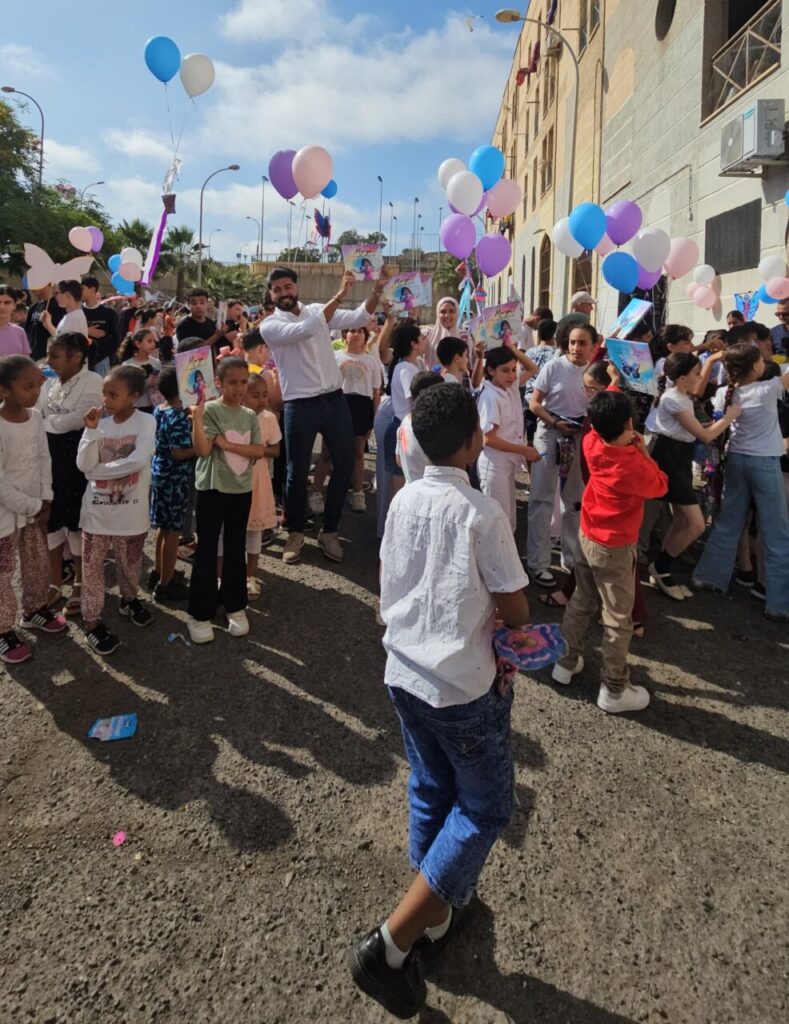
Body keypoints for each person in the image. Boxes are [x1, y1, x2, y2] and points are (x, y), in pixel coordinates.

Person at [347, 383, 530, 1019]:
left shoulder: (401, 501)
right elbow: (514, 604)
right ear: (475, 441)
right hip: (461, 685)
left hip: (404, 671)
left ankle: (434, 907)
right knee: (484, 807)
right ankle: (392, 941)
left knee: (430, 787)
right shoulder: (482, 513)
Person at [261, 266, 387, 565]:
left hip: (334, 400)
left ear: (296, 287)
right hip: (298, 405)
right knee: (295, 472)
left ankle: (329, 530)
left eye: (288, 286)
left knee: (344, 464)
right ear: (271, 294)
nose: (283, 293)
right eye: (277, 289)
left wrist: (376, 290)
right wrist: (340, 294)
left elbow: (358, 317)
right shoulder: (269, 326)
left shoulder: (317, 310)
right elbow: (305, 330)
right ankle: (295, 532)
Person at [551, 390, 668, 712]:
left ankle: (566, 660)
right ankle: (614, 689)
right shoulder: (632, 464)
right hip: (616, 546)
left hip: (587, 535)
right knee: (618, 618)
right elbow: (660, 484)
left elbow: (604, 413)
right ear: (630, 424)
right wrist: (643, 451)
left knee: (581, 601)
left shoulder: (590, 441)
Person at [692, 343, 789, 622]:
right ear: (756, 367)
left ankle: (708, 577)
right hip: (765, 463)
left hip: (736, 459)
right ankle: (780, 603)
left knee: (728, 522)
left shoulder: (724, 393)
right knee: (777, 533)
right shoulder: (767, 389)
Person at [648, 352, 740, 600]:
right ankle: (661, 567)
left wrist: (715, 423)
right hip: (670, 458)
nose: (700, 377)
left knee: (681, 521)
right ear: (681, 377)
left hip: (680, 456)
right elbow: (705, 436)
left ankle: (662, 568)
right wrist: (731, 416)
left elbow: (699, 430)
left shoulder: (683, 397)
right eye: (696, 373)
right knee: (696, 524)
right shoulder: (673, 399)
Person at [77, 366, 156, 654]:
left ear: (133, 397)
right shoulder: (100, 426)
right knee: (92, 571)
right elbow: (83, 465)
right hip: (96, 515)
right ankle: (92, 623)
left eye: (113, 394)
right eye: (104, 393)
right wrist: (90, 430)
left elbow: (138, 460)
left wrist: (98, 472)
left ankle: (129, 599)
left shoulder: (146, 423)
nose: (105, 400)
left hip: (131, 515)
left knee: (130, 564)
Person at [186, 357, 264, 644]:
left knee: (235, 547)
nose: (240, 388)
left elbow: (259, 450)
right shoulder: (210, 409)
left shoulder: (249, 415)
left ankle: (235, 605)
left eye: (244, 382)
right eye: (233, 382)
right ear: (218, 382)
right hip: (211, 488)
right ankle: (199, 612)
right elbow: (204, 451)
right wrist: (196, 418)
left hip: (241, 489)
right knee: (206, 549)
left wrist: (228, 444)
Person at [0, 355, 67, 664]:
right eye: (27, 387)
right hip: (5, 516)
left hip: (34, 509)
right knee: (3, 573)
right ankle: (3, 631)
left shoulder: (37, 417)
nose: (35, 392)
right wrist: (33, 504)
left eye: (37, 385)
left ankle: (34, 609)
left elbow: (43, 459)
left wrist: (46, 496)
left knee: (37, 562)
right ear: (4, 390)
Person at [527, 322, 597, 588]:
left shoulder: (595, 371)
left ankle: (572, 558)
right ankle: (538, 563)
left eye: (582, 343)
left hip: (580, 436)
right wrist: (555, 422)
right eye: (572, 342)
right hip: (550, 432)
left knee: (575, 501)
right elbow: (534, 402)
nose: (576, 348)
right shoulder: (554, 366)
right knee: (542, 499)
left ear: (593, 345)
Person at [37, 332, 103, 613]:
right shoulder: (49, 381)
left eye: (55, 355)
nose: (49, 361)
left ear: (76, 357)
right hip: (48, 458)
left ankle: (79, 581)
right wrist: (52, 421)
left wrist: (49, 421)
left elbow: (75, 421)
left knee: (76, 521)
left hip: (77, 459)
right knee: (50, 519)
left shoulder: (93, 381)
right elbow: (38, 411)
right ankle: (54, 582)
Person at [312, 326, 383, 514]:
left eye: (361, 331)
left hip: (361, 407)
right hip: (338, 403)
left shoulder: (371, 361)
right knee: (327, 451)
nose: (356, 334)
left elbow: (376, 392)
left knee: (358, 451)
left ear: (366, 337)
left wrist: (373, 418)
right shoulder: (335, 357)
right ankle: (316, 492)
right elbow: (324, 387)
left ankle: (358, 492)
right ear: (345, 335)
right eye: (352, 330)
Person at [477, 346, 539, 531]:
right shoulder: (490, 396)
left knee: (508, 519)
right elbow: (489, 439)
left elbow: (532, 368)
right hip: (495, 464)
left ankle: (506, 558)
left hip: (507, 462)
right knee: (498, 522)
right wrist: (523, 450)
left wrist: (512, 348)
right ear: (491, 370)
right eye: (505, 370)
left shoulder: (509, 387)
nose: (511, 376)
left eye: (513, 370)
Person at [230, 372, 281, 597]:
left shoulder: (269, 418)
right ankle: (227, 576)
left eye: (264, 395)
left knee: (254, 532)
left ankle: (250, 576)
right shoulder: (231, 416)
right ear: (242, 396)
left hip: (258, 482)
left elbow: (275, 450)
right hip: (232, 480)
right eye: (255, 396)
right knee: (230, 531)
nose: (261, 400)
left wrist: (256, 450)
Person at [149, 366, 195, 604]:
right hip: (175, 478)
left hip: (159, 473)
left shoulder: (160, 409)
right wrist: (202, 448)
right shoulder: (179, 416)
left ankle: (158, 572)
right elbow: (179, 453)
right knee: (173, 532)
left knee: (163, 529)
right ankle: (166, 584)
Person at [384, 321, 429, 499]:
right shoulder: (406, 369)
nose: (425, 341)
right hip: (404, 427)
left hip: (405, 426)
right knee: (402, 490)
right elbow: (415, 401)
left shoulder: (411, 365)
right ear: (413, 344)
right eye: (421, 338)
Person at [395, 371, 443, 483]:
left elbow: (399, 460)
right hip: (429, 490)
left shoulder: (404, 422)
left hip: (410, 487)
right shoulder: (430, 428)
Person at [523, 318, 556, 443]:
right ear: (554, 335)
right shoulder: (557, 354)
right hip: (546, 402)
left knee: (530, 439)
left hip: (529, 399)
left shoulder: (529, 352)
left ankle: (529, 461)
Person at [176, 289, 237, 355]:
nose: (198, 306)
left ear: (207, 303)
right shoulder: (183, 326)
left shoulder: (210, 323)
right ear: (188, 305)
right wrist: (217, 335)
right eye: (194, 303)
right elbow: (193, 352)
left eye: (202, 302)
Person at [81, 276, 118, 375]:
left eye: (82, 289)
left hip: (101, 360)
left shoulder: (109, 313)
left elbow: (116, 338)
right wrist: (85, 330)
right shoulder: (78, 312)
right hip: (81, 360)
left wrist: (106, 353)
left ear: (92, 289)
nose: (79, 292)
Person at [119, 328, 161, 413]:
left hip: (153, 406)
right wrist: (147, 383)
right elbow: (127, 391)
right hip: (133, 408)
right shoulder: (127, 364)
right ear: (138, 344)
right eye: (149, 341)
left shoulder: (156, 362)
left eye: (154, 341)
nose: (153, 344)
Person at [25, 284, 63, 361]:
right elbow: (27, 332)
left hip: (49, 359)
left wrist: (48, 324)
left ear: (48, 284)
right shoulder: (33, 307)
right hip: (32, 358)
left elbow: (62, 334)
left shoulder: (60, 306)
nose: (32, 289)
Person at [0, 285, 30, 356]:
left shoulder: (20, 332)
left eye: (7, 302)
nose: (2, 307)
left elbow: (26, 362)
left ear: (14, 305)